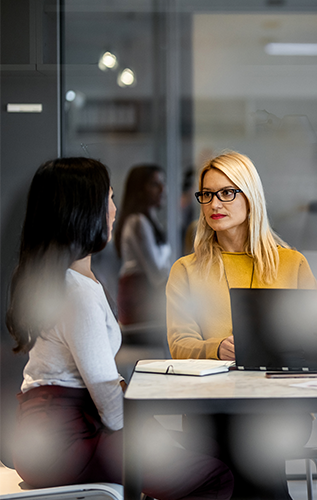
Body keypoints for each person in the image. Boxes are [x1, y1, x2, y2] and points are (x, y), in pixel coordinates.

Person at [7, 157, 233, 500]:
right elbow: (112, 410)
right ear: (84, 212)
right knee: (214, 474)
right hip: (67, 442)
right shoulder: (77, 292)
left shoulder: (64, 279)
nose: (114, 210)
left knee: (200, 453)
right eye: (108, 200)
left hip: (57, 434)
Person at [166, 151, 317, 499]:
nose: (214, 203)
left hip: (279, 405)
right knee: (244, 441)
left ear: (250, 196)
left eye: (226, 192)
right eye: (206, 194)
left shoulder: (291, 263)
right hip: (212, 407)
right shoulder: (186, 270)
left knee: (253, 435)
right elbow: (180, 344)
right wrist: (216, 348)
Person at [115, 164, 171, 326]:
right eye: (154, 184)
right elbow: (157, 273)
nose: (162, 189)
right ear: (139, 189)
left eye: (163, 183)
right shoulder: (137, 222)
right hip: (140, 297)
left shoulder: (150, 222)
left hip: (148, 295)